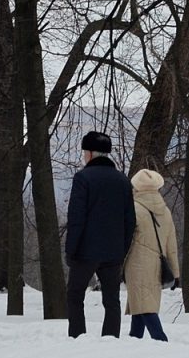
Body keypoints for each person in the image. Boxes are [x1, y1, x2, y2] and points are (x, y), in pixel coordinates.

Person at [65, 131, 136, 338]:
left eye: (84, 152)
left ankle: (78, 338)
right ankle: (111, 340)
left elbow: (76, 219)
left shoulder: (83, 178)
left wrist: (71, 250)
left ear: (90, 153)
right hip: (113, 252)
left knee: (75, 296)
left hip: (85, 252)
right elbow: (130, 220)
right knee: (112, 300)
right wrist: (121, 249)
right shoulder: (122, 180)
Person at [124, 168, 180, 342]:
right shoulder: (165, 211)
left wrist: (116, 265)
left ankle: (162, 341)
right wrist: (176, 274)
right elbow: (171, 246)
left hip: (137, 266)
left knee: (145, 308)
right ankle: (134, 340)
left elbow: (126, 241)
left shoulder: (133, 209)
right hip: (157, 266)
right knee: (140, 305)